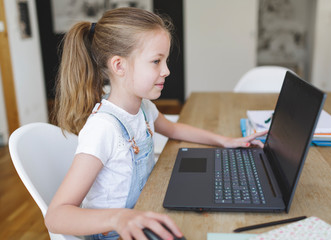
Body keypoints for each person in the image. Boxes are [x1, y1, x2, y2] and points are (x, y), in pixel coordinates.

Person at [44, 7, 266, 240]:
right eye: (156, 61)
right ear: (119, 66)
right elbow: (56, 216)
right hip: (116, 232)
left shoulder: (142, 107)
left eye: (165, 60)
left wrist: (225, 141)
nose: (167, 70)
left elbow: (174, 129)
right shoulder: (103, 129)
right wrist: (118, 218)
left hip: (146, 211)